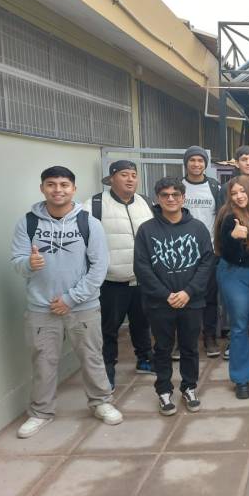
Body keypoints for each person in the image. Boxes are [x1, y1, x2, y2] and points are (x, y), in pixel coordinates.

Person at [11, 166, 122, 439]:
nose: (57, 190)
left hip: (82, 307)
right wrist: (29, 263)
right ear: (42, 188)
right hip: (41, 309)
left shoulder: (88, 223)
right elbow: (18, 263)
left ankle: (101, 402)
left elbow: (99, 268)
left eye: (64, 184)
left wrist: (71, 299)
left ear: (73, 189)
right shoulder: (28, 222)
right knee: (44, 363)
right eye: (51, 184)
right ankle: (40, 412)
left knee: (92, 357)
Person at [134, 177, 213, 416]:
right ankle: (164, 390)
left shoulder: (198, 227)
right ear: (158, 199)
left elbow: (207, 262)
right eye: (165, 195)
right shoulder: (146, 230)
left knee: (190, 347)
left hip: (192, 301)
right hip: (160, 303)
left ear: (183, 198)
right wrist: (166, 295)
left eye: (175, 194)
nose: (171, 199)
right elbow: (142, 267)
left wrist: (188, 292)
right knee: (163, 348)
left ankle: (189, 387)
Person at [83, 160, 154, 389]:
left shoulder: (145, 202)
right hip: (111, 280)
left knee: (142, 323)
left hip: (142, 278)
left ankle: (144, 359)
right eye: (124, 175)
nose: (130, 179)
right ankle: (108, 368)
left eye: (133, 175)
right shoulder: (94, 205)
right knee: (109, 327)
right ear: (112, 178)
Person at [214, 177, 249, 399]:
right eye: (234, 193)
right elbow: (228, 254)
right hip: (235, 274)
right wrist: (232, 238)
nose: (239, 196)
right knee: (239, 325)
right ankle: (241, 379)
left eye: (242, 191)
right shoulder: (228, 217)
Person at [182, 145, 223, 358]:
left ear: (205, 164)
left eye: (200, 161)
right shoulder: (178, 187)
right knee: (184, 296)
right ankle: (183, 340)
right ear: (186, 163)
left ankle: (209, 337)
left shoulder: (215, 187)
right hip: (182, 253)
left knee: (209, 297)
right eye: (192, 160)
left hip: (210, 252)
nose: (196, 164)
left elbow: (221, 217)